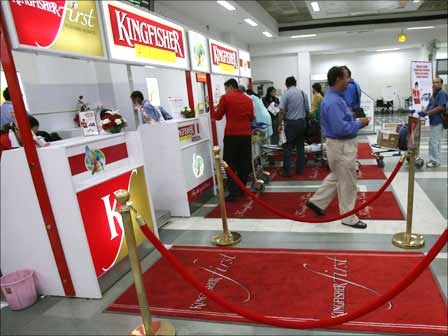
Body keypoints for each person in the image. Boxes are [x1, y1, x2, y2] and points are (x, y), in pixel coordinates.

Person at [306, 66, 370, 229]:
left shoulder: (335, 97)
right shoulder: (334, 101)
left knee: (337, 176)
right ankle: (348, 217)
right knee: (348, 182)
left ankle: (317, 202)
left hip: (338, 146)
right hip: (341, 146)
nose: (349, 81)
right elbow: (341, 129)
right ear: (337, 80)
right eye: (346, 77)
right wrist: (359, 122)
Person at [215, 78, 254, 200]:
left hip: (232, 135)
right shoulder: (248, 99)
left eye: (226, 89)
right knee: (244, 162)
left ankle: (233, 191)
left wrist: (214, 108)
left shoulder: (226, 98)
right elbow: (252, 117)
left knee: (229, 163)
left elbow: (218, 116)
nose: (226, 91)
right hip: (246, 134)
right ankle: (242, 188)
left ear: (231, 87)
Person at [278, 76, 309, 177]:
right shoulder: (303, 93)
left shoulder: (286, 94)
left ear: (286, 84)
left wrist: (279, 125)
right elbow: (308, 110)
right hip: (301, 123)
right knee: (300, 147)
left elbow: (281, 111)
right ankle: (300, 169)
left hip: (291, 124)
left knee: (287, 147)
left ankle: (287, 171)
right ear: (295, 83)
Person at [424, 77, 447, 168]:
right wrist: (423, 112)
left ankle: (435, 161)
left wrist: (428, 113)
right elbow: (429, 105)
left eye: (437, 82)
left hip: (439, 121)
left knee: (433, 141)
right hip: (433, 121)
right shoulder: (434, 94)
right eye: (433, 82)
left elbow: (441, 107)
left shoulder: (442, 93)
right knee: (435, 141)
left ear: (441, 84)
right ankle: (435, 159)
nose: (434, 84)